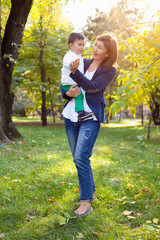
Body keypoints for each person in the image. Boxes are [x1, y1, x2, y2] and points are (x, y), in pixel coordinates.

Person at [61, 34, 118, 217]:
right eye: (94, 45)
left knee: (80, 157)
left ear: (108, 54)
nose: (94, 49)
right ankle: (90, 191)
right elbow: (65, 83)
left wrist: (76, 73)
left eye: (100, 47)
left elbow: (93, 87)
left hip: (90, 118)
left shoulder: (109, 70)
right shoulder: (82, 62)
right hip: (71, 116)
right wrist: (67, 93)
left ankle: (85, 202)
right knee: (79, 158)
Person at [61, 32, 92, 121]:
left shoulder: (77, 56)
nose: (82, 47)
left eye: (83, 45)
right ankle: (80, 113)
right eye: (79, 45)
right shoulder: (68, 56)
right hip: (68, 84)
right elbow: (66, 63)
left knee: (79, 95)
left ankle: (80, 112)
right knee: (79, 96)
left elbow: (78, 62)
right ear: (71, 45)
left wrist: (81, 60)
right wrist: (71, 65)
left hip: (73, 83)